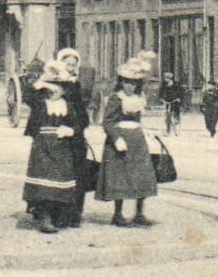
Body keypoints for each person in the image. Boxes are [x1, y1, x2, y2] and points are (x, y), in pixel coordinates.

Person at [98, 54, 159, 228]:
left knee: (142, 175)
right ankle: (117, 214)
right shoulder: (116, 98)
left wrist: (146, 132)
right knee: (120, 177)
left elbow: (137, 120)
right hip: (121, 143)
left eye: (133, 83)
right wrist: (116, 138)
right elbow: (107, 122)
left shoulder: (138, 99)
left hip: (137, 141)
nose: (129, 86)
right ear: (121, 82)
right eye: (126, 82)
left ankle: (139, 213)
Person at [22, 63, 80, 234]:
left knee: (60, 178)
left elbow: (77, 123)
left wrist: (70, 130)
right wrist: (39, 84)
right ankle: (44, 216)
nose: (55, 91)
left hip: (62, 146)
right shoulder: (40, 103)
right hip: (43, 145)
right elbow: (27, 96)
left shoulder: (67, 106)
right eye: (52, 87)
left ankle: (57, 214)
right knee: (44, 178)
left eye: (59, 87)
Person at [53, 48, 91, 228]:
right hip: (59, 135)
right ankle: (59, 213)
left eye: (73, 65)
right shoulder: (54, 83)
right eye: (67, 64)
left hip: (76, 135)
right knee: (61, 175)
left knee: (78, 175)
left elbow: (82, 113)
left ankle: (75, 213)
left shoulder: (77, 84)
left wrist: (78, 128)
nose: (70, 67)